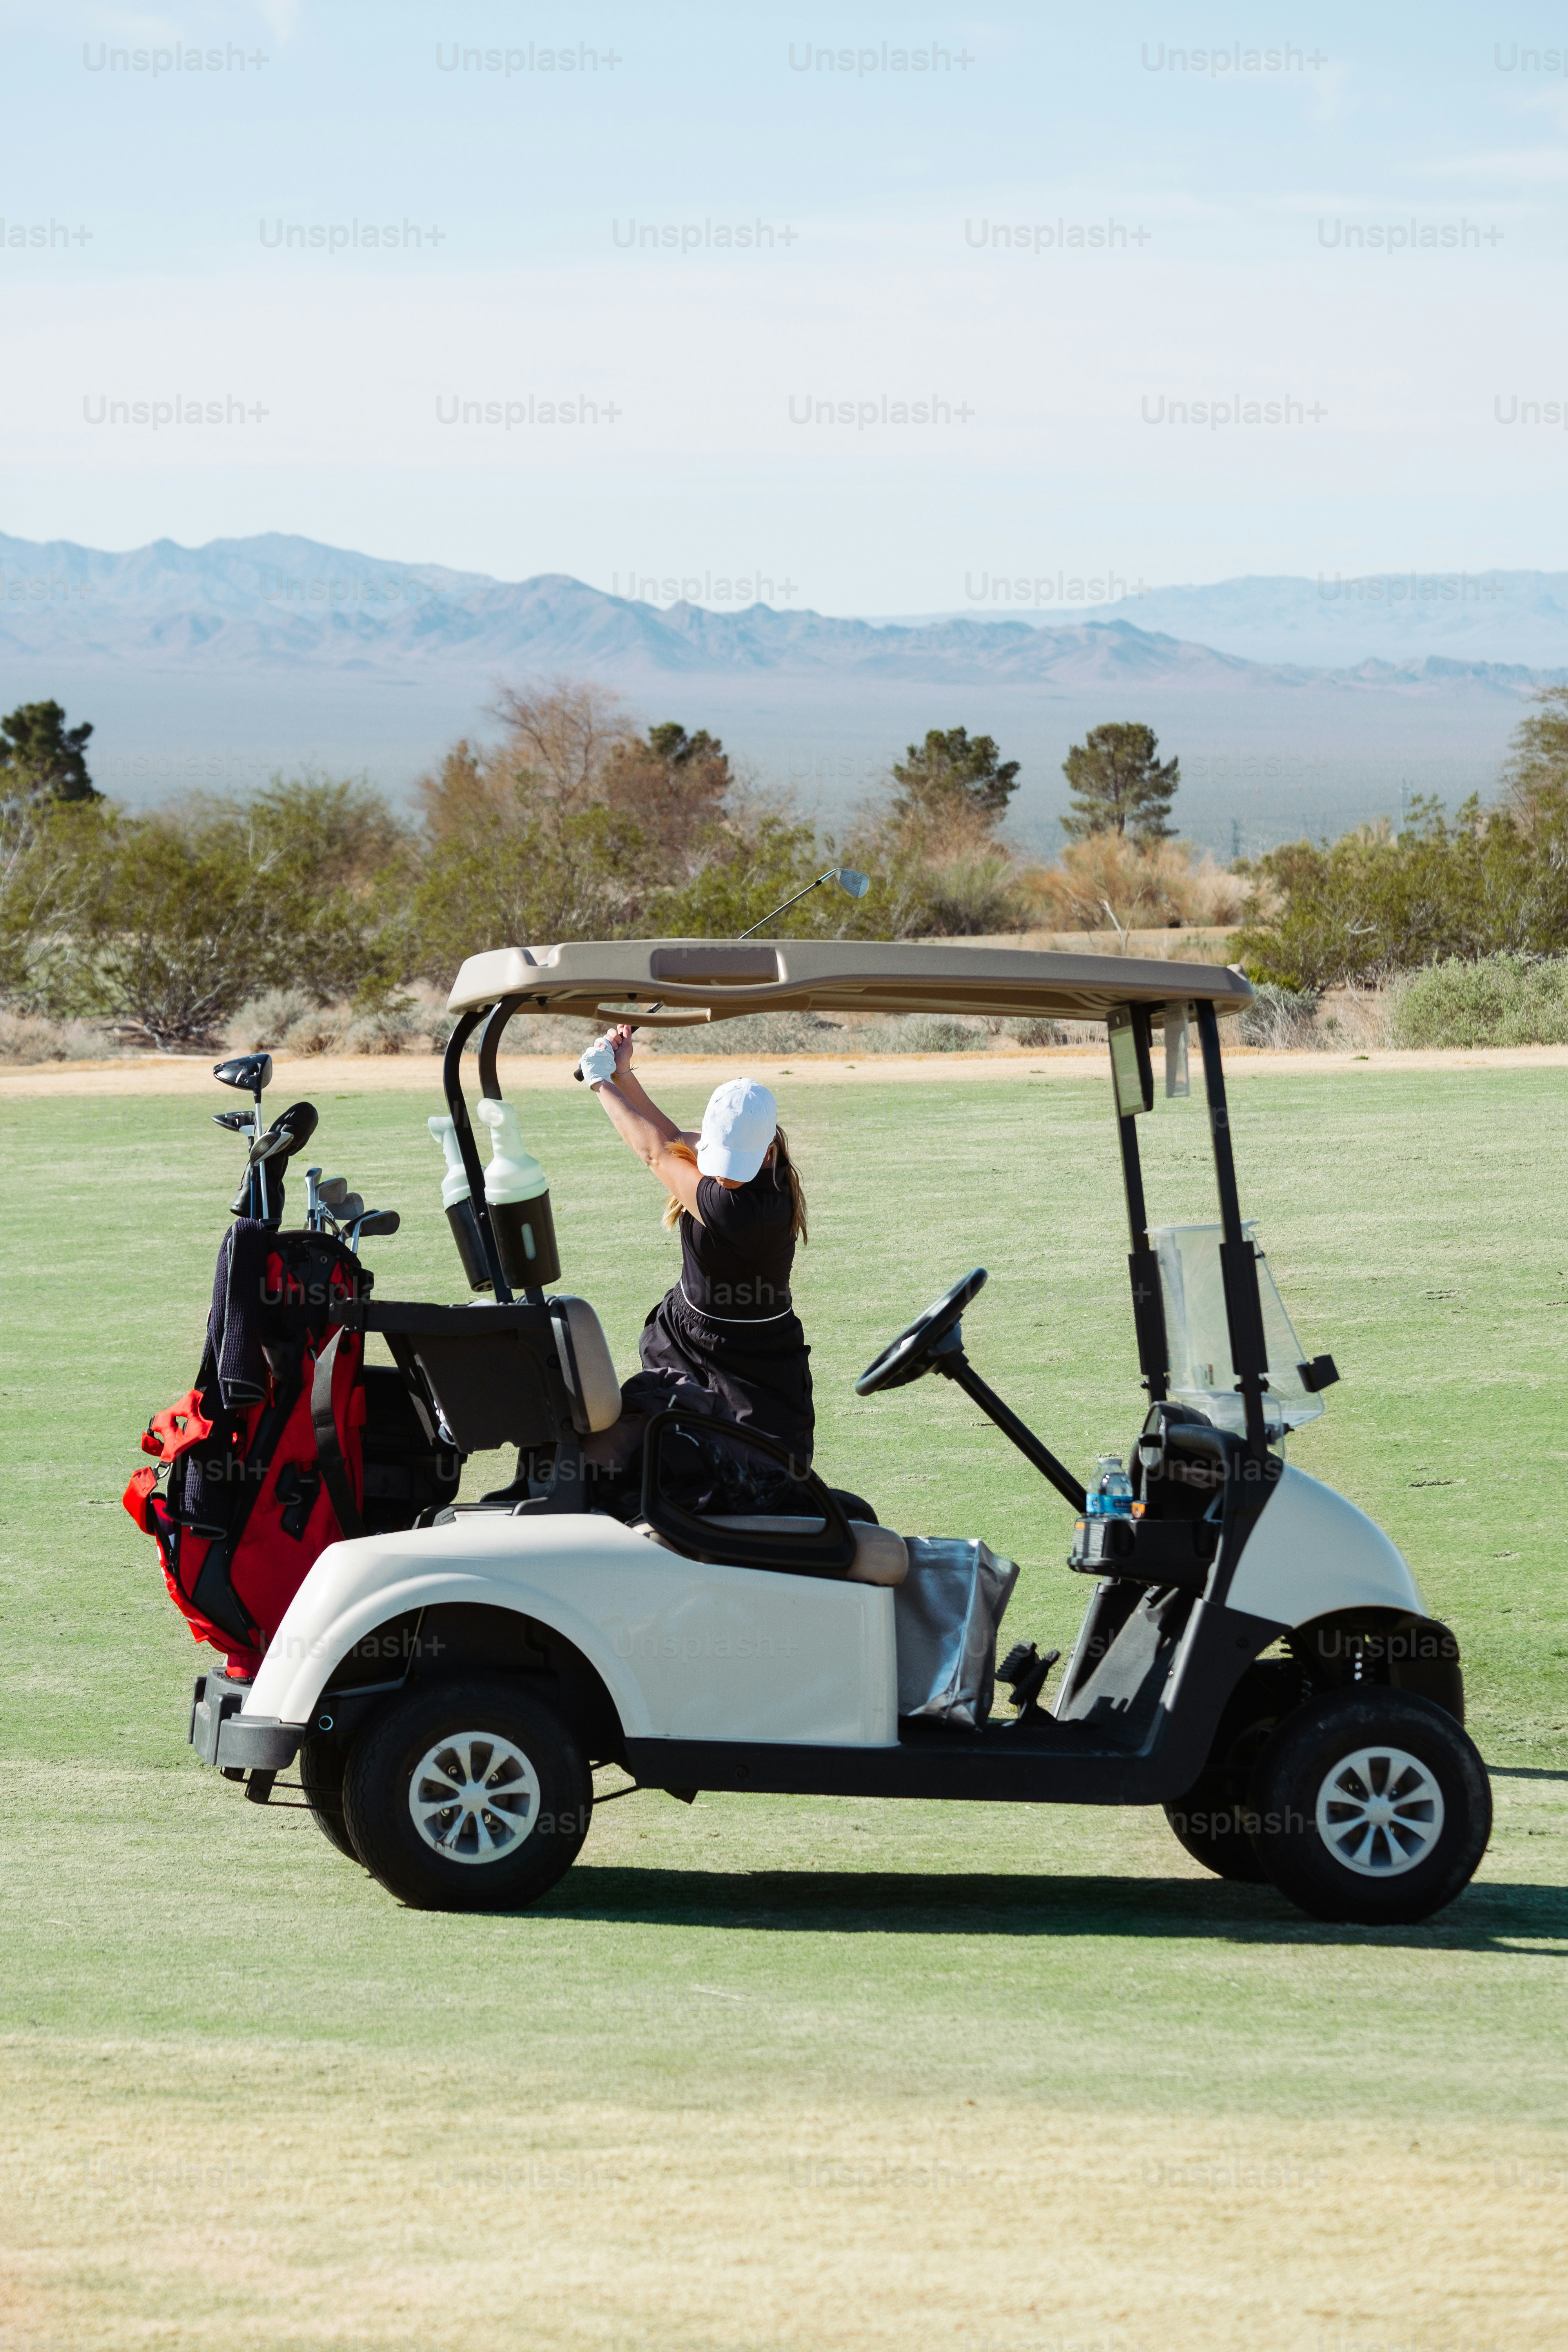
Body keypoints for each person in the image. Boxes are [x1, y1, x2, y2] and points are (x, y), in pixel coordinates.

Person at [577, 1025, 815, 1496]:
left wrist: (598, 1081)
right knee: (669, 1463)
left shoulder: (738, 1210)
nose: (722, 1175)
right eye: (718, 1156)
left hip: (756, 1362)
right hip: (686, 1341)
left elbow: (654, 1153)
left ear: (767, 1152)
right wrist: (624, 1075)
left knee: (768, 1481)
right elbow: (671, 1138)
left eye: (734, 1163)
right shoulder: (771, 1164)